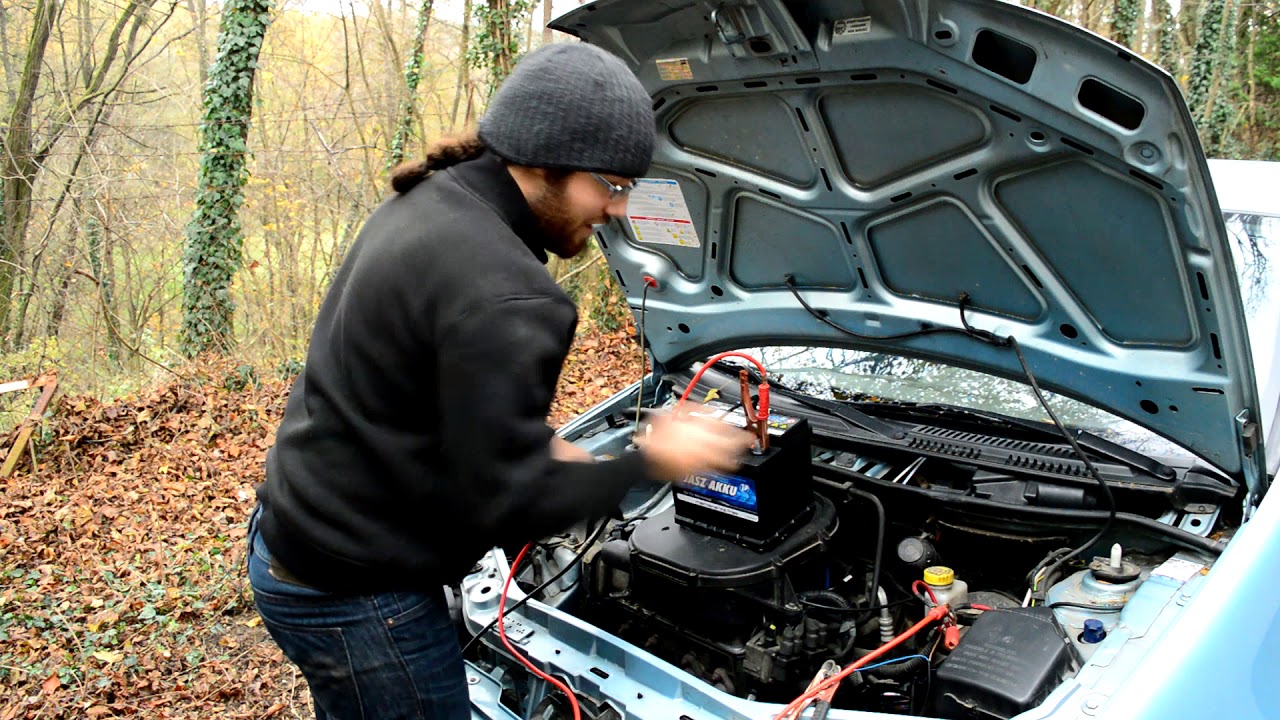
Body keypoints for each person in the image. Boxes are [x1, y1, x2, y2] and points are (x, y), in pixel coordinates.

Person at [245, 41, 756, 720]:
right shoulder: (512, 296)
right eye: (612, 185)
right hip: (360, 598)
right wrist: (650, 461)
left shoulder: (430, 201)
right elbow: (509, 506)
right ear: (548, 160)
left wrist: (534, 450)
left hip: (296, 546)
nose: (620, 210)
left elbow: (424, 391)